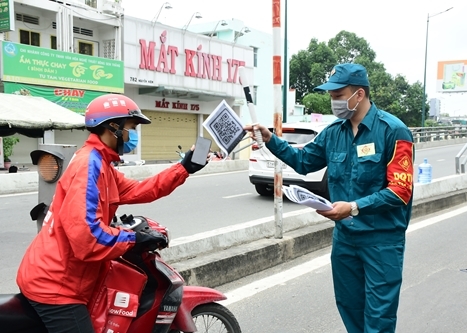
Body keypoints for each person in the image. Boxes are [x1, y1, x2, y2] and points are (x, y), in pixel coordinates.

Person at [16, 94, 206, 333]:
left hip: (72, 277)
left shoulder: (102, 163)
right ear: (113, 127)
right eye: (132, 127)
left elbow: (139, 190)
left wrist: (183, 168)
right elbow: (89, 237)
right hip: (56, 284)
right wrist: (134, 238)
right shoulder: (89, 166)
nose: (133, 135)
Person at [245, 63, 414, 333]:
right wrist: (270, 140)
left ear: (358, 95)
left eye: (338, 95)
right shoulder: (334, 132)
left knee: (379, 315)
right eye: (331, 96)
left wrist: (354, 207)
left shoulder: (393, 131)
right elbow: (303, 161)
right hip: (345, 239)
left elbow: (400, 190)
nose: (333, 101)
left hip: (382, 240)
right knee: (349, 306)